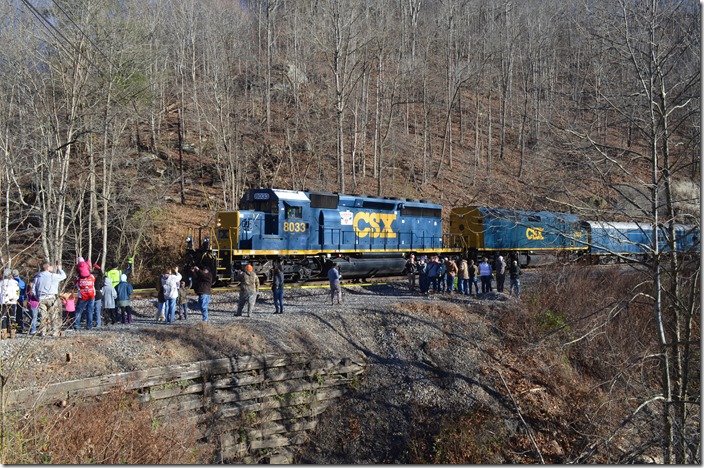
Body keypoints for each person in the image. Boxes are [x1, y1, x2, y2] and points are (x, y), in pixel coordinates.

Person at [33, 261, 67, 336]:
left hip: (41, 297)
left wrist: (37, 297)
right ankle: (54, 332)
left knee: (42, 316)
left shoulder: (37, 277)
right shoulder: (52, 276)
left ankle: (43, 331)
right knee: (53, 315)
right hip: (51, 297)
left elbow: (33, 289)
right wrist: (59, 268)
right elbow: (64, 276)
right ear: (48, 268)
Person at [73, 258, 96, 330]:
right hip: (91, 295)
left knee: (78, 311)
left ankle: (77, 325)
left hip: (82, 297)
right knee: (90, 311)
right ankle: (89, 326)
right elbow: (93, 282)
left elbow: (75, 287)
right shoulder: (91, 277)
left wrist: (75, 296)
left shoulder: (78, 278)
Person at [0, 269, 20, 333]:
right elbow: (17, 292)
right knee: (13, 316)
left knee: (3, 316)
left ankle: (3, 330)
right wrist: (16, 298)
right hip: (13, 301)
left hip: (3, 301)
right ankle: (13, 330)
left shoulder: (1, 283)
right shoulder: (15, 283)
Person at [91, 264, 104, 328]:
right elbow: (101, 275)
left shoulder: (90, 280)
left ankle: (90, 323)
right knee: (97, 311)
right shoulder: (98, 279)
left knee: (90, 310)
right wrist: (99, 268)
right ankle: (98, 324)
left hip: (91, 296)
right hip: (98, 296)